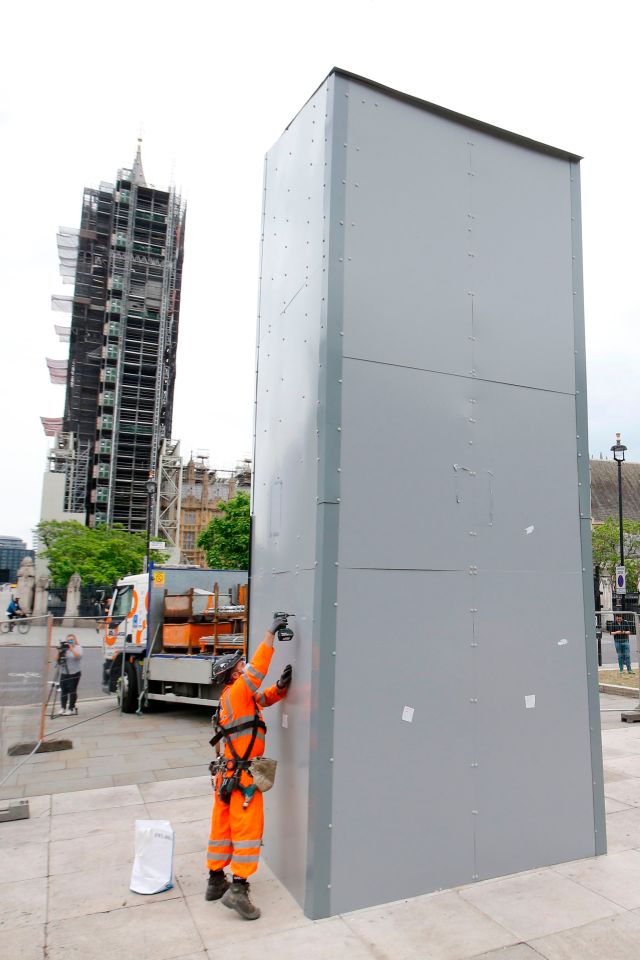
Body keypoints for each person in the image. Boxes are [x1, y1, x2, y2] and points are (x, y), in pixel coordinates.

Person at [205, 614, 293, 920]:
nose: (245, 667)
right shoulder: (238, 690)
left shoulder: (232, 698)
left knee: (222, 829)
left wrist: (279, 689)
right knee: (248, 831)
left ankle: (216, 880)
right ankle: (239, 889)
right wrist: (270, 633)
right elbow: (257, 670)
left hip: (225, 777)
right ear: (232, 674)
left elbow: (260, 698)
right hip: (242, 778)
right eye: (239, 667)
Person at [58, 633, 83, 715]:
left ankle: (71, 708)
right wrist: (60, 651)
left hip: (74, 673)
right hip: (64, 672)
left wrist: (72, 649)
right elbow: (57, 659)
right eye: (68, 640)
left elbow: (78, 657)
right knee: (63, 690)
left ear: (75, 640)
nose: (70, 642)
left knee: (72, 691)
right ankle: (63, 707)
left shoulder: (78, 648)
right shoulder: (65, 649)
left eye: (71, 640)